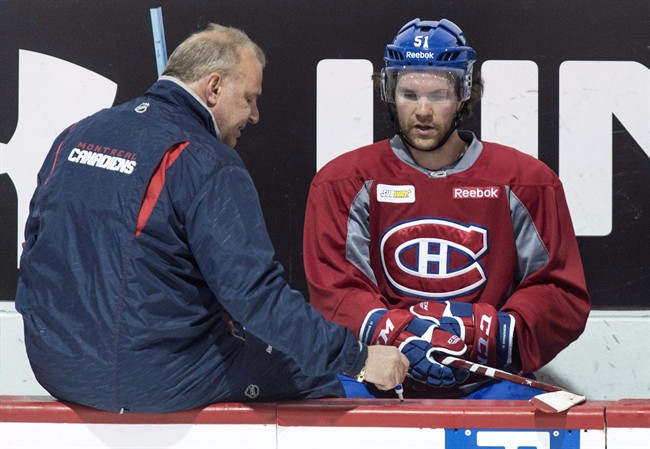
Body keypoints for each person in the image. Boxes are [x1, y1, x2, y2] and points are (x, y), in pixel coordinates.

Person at [14, 23, 408, 413]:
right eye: (250, 98)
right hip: (155, 380)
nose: (254, 115)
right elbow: (257, 298)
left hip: (54, 366)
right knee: (322, 372)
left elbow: (33, 251)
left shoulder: (76, 134)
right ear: (214, 87)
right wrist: (360, 358)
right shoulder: (206, 160)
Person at [303, 18, 591, 399]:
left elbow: (560, 292)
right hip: (377, 379)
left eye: (437, 95)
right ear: (390, 93)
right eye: (409, 95)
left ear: (463, 95)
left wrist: (494, 332)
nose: (422, 111)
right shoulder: (344, 181)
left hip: (486, 379)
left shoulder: (524, 181)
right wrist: (397, 333)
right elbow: (335, 291)